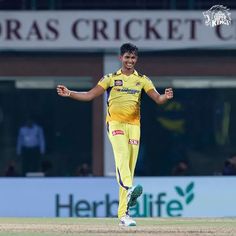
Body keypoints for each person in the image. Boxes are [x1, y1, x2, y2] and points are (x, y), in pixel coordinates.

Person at [57, 43, 173, 226]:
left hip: (134, 126)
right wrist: (69, 93)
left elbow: (158, 99)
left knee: (128, 166)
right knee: (121, 156)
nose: (130, 61)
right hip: (115, 123)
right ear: (121, 58)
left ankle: (123, 215)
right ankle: (129, 188)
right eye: (127, 57)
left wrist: (165, 96)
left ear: (137, 59)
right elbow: (88, 95)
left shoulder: (142, 80)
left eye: (133, 58)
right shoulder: (110, 78)